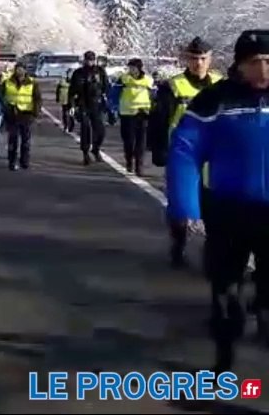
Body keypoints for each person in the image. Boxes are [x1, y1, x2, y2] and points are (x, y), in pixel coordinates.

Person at [166, 29, 269, 372]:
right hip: (228, 211)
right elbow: (185, 150)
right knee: (225, 293)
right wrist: (184, 205)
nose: (264, 70)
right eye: (256, 62)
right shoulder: (215, 101)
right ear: (240, 64)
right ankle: (223, 364)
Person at [150, 37, 222, 268]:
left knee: (215, 206)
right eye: (194, 59)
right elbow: (159, 120)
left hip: (215, 157)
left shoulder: (222, 85)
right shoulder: (173, 86)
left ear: (210, 59)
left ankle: (213, 252)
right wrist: (159, 149)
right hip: (184, 156)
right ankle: (178, 244)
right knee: (181, 205)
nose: (198, 63)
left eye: (203, 58)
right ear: (186, 60)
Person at [109, 58, 153, 176]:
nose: (131, 70)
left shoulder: (148, 80)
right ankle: (129, 160)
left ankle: (139, 165)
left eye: (133, 68)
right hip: (127, 113)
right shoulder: (124, 79)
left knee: (141, 141)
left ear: (139, 68)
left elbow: (154, 95)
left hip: (143, 113)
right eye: (130, 68)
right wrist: (112, 108)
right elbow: (114, 94)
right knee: (129, 140)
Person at [68, 50, 110, 165]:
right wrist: (71, 105)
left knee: (100, 130)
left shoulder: (100, 72)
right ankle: (85, 153)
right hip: (82, 104)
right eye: (87, 59)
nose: (89, 62)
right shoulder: (78, 73)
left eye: (91, 60)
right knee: (85, 129)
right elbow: (72, 91)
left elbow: (106, 87)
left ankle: (96, 148)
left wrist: (105, 99)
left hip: (97, 103)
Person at [2, 63, 41, 171]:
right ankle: (12, 161)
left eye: (21, 69)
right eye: (17, 69)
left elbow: (37, 99)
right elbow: (1, 96)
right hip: (12, 114)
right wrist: (4, 109)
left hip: (26, 114)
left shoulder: (32, 83)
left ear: (25, 71)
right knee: (12, 139)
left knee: (25, 140)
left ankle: (24, 161)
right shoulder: (8, 82)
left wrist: (35, 113)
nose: (19, 71)